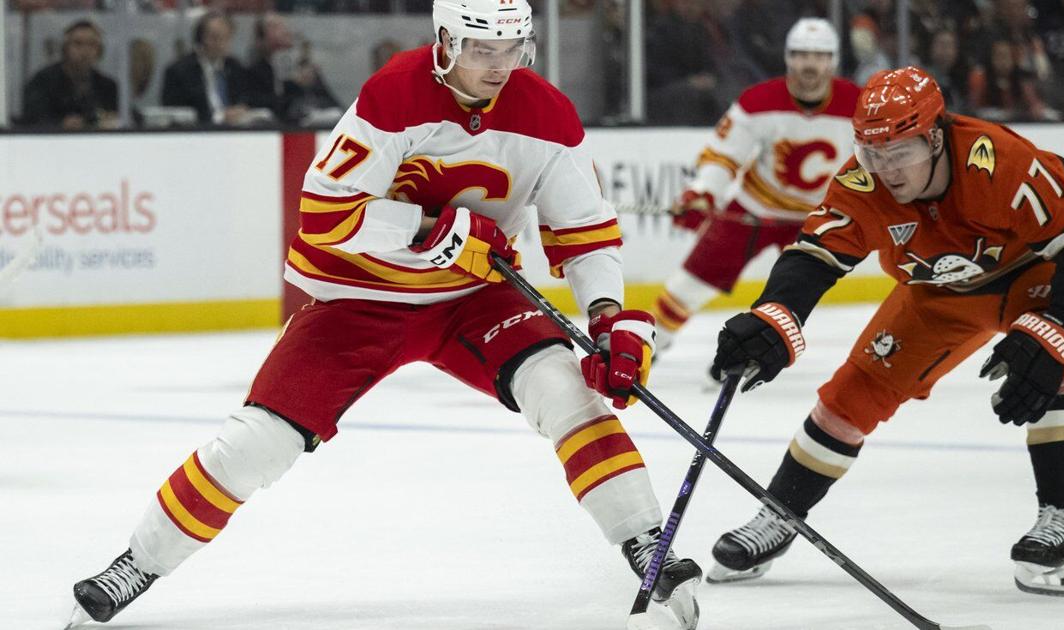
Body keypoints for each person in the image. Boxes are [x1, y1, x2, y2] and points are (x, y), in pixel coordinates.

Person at [66, 1, 702, 628]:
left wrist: (607, 318)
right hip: (359, 296)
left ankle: (647, 541)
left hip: (475, 297)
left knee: (566, 392)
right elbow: (324, 214)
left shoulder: (547, 113)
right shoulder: (395, 94)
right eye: (483, 49)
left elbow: (585, 232)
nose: (499, 65)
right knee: (259, 443)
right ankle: (137, 563)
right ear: (446, 42)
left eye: (513, 49)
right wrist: (427, 228)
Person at [705, 67, 1064, 597]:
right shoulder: (862, 184)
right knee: (852, 394)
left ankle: (1063, 514)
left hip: (1031, 277)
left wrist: (1056, 328)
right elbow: (815, 253)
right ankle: (780, 514)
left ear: (935, 138)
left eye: (898, 152)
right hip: (937, 295)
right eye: (871, 153)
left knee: (1052, 364)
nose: (884, 170)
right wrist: (775, 314)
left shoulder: (1000, 162)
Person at [650, 18, 859, 355]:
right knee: (689, 283)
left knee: (792, 298)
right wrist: (703, 193)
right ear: (788, 57)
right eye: (801, 55)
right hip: (755, 208)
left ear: (833, 60)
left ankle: (754, 355)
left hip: (816, 220)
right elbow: (724, 155)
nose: (809, 64)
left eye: (819, 56)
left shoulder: (858, 105)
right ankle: (650, 345)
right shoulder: (758, 100)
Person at [20, 20, 117, 130]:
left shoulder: (108, 86)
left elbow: (122, 117)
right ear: (65, 48)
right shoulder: (42, 82)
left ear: (100, 51)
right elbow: (31, 120)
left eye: (92, 44)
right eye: (78, 43)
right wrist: (60, 124)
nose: (85, 51)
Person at [161, 12, 251, 125]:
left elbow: (244, 98)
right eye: (216, 38)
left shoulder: (235, 66)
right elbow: (178, 114)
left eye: (227, 38)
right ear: (201, 39)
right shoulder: (179, 71)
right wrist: (220, 117)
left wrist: (240, 109)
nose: (222, 44)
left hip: (235, 130)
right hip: (198, 131)